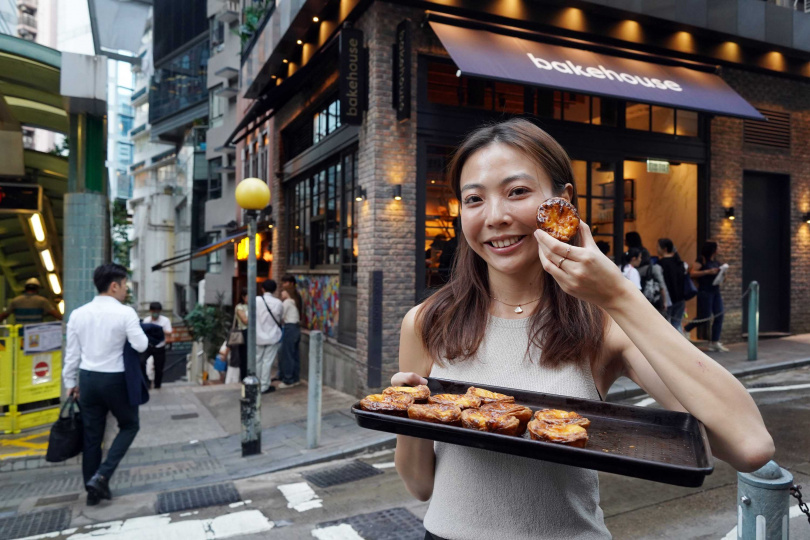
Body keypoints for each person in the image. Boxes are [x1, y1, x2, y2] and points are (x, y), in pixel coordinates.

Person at [392, 119, 773, 540]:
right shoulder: (427, 322)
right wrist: (410, 413)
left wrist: (620, 297)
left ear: (563, 202)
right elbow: (420, 486)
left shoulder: (602, 320)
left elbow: (749, 445)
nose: (496, 216)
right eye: (474, 199)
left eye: (517, 191)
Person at [63, 263, 149, 507]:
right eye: (124, 285)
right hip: (116, 380)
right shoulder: (125, 313)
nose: (126, 290)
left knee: (92, 436)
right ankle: (102, 476)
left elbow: (72, 354)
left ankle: (93, 492)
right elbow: (141, 345)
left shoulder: (78, 314)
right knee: (130, 425)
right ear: (113, 286)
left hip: (88, 379)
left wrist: (70, 382)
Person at [683, 241, 728, 352]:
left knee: (719, 314)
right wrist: (708, 272)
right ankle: (686, 329)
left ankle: (715, 342)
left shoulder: (716, 262)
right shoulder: (701, 260)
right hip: (705, 291)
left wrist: (723, 274)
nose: (719, 249)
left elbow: (723, 279)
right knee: (705, 315)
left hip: (715, 291)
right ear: (713, 249)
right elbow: (692, 273)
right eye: (718, 247)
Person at [255, 279, 283, 394]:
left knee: (257, 360)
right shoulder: (278, 303)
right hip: (272, 336)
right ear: (275, 290)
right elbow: (280, 318)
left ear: (262, 289)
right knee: (267, 362)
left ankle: (255, 384)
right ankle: (264, 386)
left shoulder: (256, 300)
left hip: (258, 336)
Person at [657, 238, 687, 333]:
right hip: (680, 298)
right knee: (677, 324)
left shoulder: (660, 264)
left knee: (666, 327)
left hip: (667, 299)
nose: (657, 249)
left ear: (664, 249)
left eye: (658, 247)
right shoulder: (679, 262)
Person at [277, 275, 302, 389]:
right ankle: (295, 378)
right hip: (296, 328)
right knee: (294, 354)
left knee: (287, 355)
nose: (282, 292)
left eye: (283, 291)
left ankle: (288, 379)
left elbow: (280, 316)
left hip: (289, 328)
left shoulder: (287, 302)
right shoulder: (296, 299)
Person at [141, 302, 171, 389]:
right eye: (154, 311)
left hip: (160, 346)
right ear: (150, 311)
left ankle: (157, 385)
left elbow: (169, 332)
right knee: (141, 362)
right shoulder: (146, 321)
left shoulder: (165, 320)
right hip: (148, 346)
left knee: (159, 367)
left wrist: (158, 330)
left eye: (157, 311)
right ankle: (146, 382)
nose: (156, 313)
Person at [233, 288, 249, 381]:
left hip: (254, 333)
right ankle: (244, 377)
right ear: (243, 297)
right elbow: (245, 321)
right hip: (244, 332)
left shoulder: (255, 305)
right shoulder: (239, 307)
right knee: (244, 356)